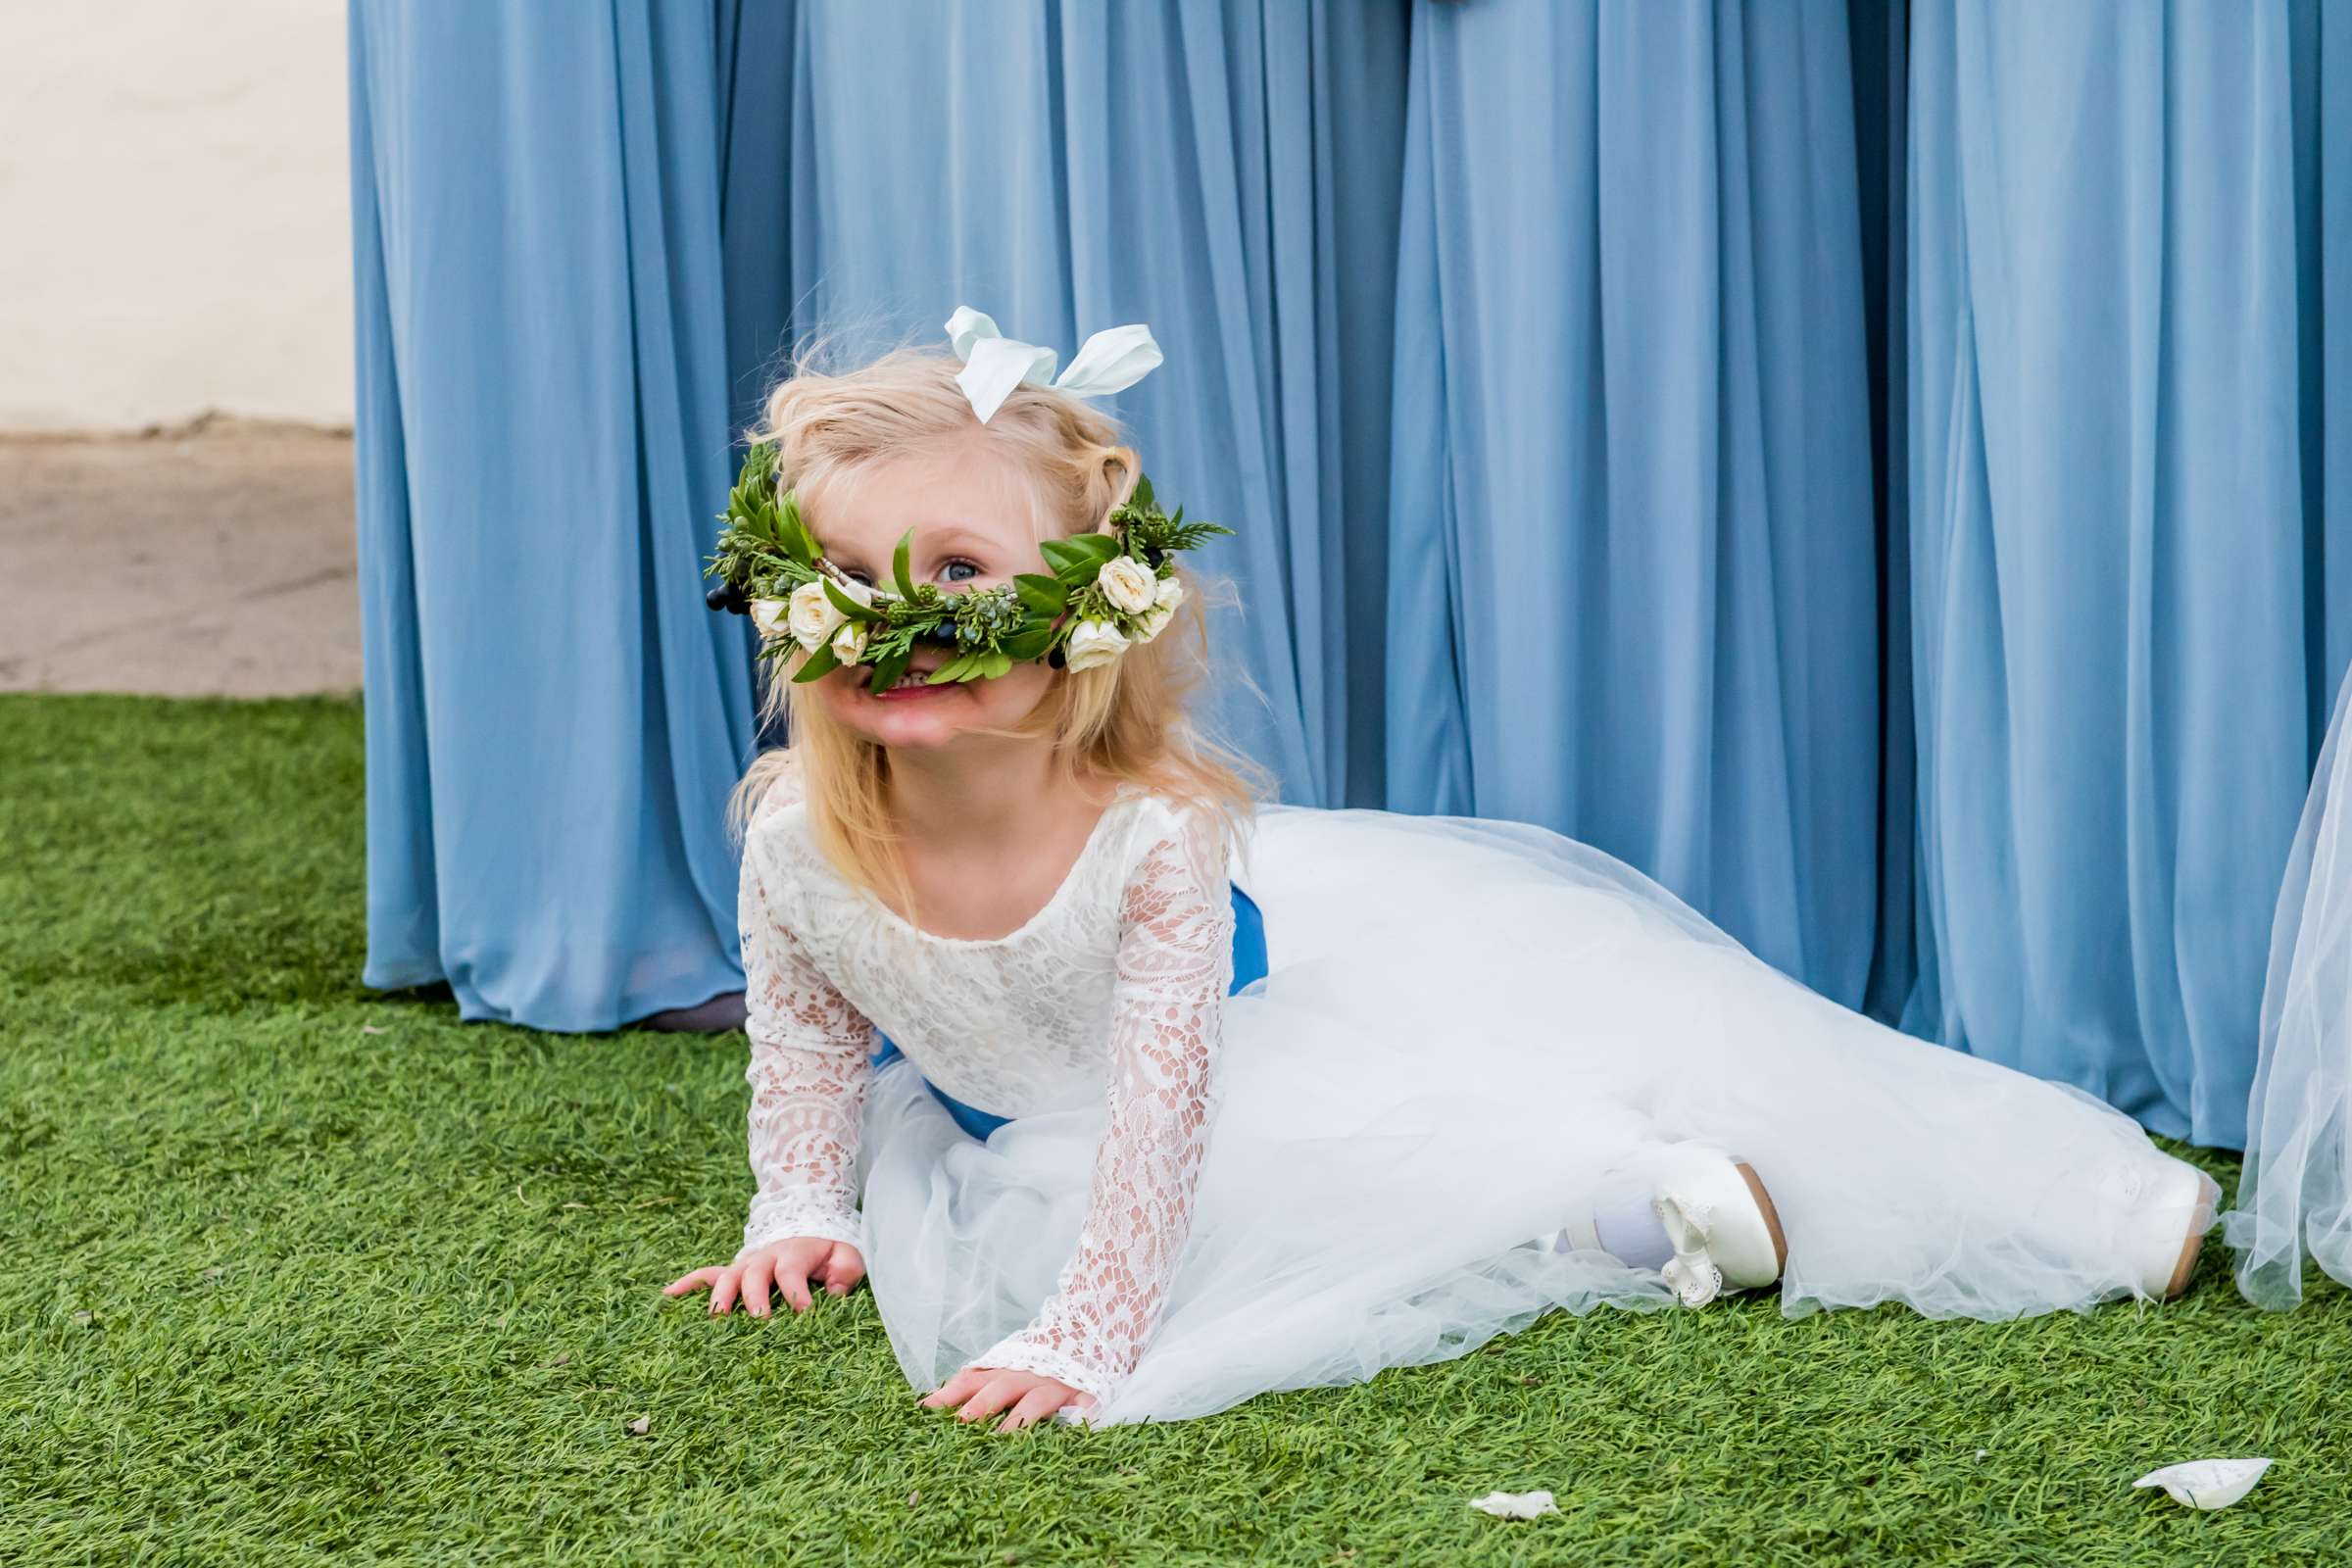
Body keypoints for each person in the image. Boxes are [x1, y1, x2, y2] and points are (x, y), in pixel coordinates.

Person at [665, 308, 2217, 1432]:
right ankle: (1622, 1215)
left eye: (959, 575)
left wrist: (1089, 1329)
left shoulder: (1150, 843)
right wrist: (804, 1199)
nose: (894, 622)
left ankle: (2049, 1208)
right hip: (1012, 1118)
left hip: (1223, 1075)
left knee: (1428, 1132)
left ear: (1087, 610)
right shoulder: (800, 831)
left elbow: (1162, 1113)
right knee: (1366, 1192)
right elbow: (809, 1029)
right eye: (850, 580)